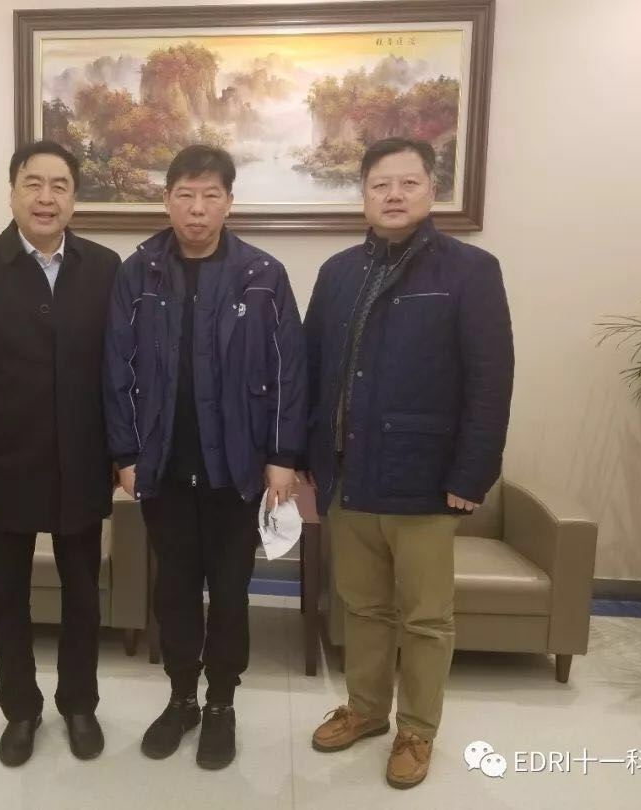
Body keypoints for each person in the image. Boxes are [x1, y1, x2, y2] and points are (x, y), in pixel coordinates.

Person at [304, 137, 514, 788]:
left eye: (408, 183)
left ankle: (417, 730)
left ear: (432, 190)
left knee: (425, 617)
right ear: (363, 195)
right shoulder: (338, 272)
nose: (394, 195)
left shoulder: (470, 271)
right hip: (349, 476)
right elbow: (312, 372)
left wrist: (471, 474)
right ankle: (366, 709)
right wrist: (309, 463)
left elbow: (490, 381)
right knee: (362, 607)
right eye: (380, 185)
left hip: (425, 479)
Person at [104, 144, 307, 770]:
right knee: (173, 591)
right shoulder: (138, 272)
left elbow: (290, 371)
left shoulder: (263, 274)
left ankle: (221, 703)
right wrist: (125, 452)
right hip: (163, 467)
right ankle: (181, 698)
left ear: (229, 202)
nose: (197, 209)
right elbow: (116, 369)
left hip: (236, 470)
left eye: (210, 196)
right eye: (185, 196)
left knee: (230, 593)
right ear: (166, 200)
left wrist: (283, 456)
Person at [0, 140, 120, 767]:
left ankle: (79, 703)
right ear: (12, 191)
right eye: (33, 183)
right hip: (2, 466)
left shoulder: (105, 267)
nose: (46, 198)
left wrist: (122, 452)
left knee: (83, 594)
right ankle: (20, 708)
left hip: (82, 463)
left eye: (59, 185)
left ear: (75, 198)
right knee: (7, 595)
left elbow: (118, 371)